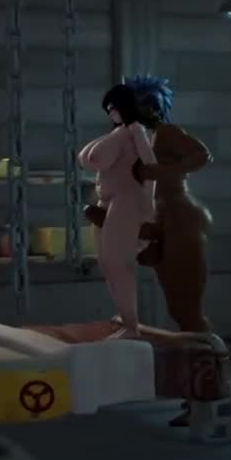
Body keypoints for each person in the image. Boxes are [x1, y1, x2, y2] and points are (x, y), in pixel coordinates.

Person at [83, 75, 215, 426]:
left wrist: (158, 170)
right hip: (150, 220)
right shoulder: (130, 137)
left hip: (178, 219)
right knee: (173, 305)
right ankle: (196, 390)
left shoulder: (166, 134)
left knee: (186, 309)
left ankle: (208, 390)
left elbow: (202, 155)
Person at [77, 84, 157, 339]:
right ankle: (126, 316)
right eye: (108, 109)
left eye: (113, 107)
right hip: (111, 201)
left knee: (118, 263)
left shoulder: (134, 132)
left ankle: (131, 326)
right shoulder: (121, 133)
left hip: (126, 201)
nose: (111, 113)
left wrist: (147, 211)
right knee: (107, 263)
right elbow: (86, 158)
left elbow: (148, 168)